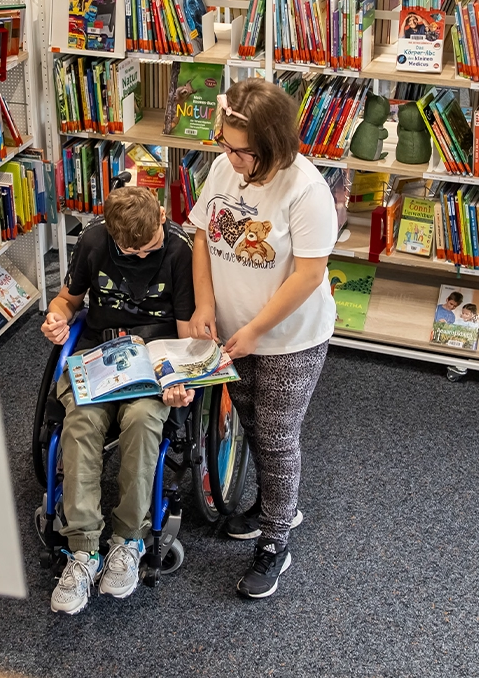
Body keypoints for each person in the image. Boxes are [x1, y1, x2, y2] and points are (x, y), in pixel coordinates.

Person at [188, 79, 337, 600]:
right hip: (233, 332)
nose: (228, 157)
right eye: (223, 144)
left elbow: (308, 276)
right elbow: (203, 235)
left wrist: (254, 330)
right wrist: (205, 305)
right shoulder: (224, 168)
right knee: (250, 422)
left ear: (271, 146)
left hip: (290, 338)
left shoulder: (308, 192)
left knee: (276, 438)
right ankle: (276, 503)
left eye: (240, 150)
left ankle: (276, 539)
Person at [39, 185, 198, 615]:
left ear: (162, 215)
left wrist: (184, 382)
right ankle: (82, 549)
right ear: (113, 236)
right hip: (98, 353)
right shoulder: (93, 240)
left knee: (144, 421)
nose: (147, 255)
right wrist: (57, 319)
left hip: (155, 359)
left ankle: (128, 540)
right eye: (136, 251)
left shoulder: (180, 251)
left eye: (152, 247)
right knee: (81, 423)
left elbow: (188, 332)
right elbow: (67, 301)